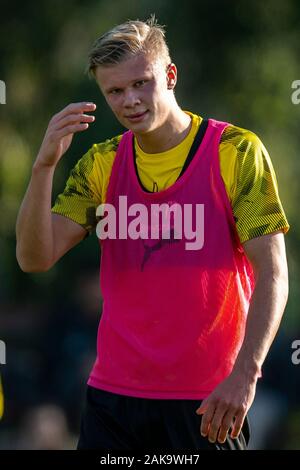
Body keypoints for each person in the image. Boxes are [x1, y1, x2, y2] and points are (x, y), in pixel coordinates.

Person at [16, 16, 290, 450]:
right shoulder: (101, 164)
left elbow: (273, 274)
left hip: (206, 403)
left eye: (141, 83)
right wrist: (43, 166)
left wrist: (245, 374)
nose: (130, 100)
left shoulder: (236, 152)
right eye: (115, 91)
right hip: (112, 401)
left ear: (170, 75)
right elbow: (34, 257)